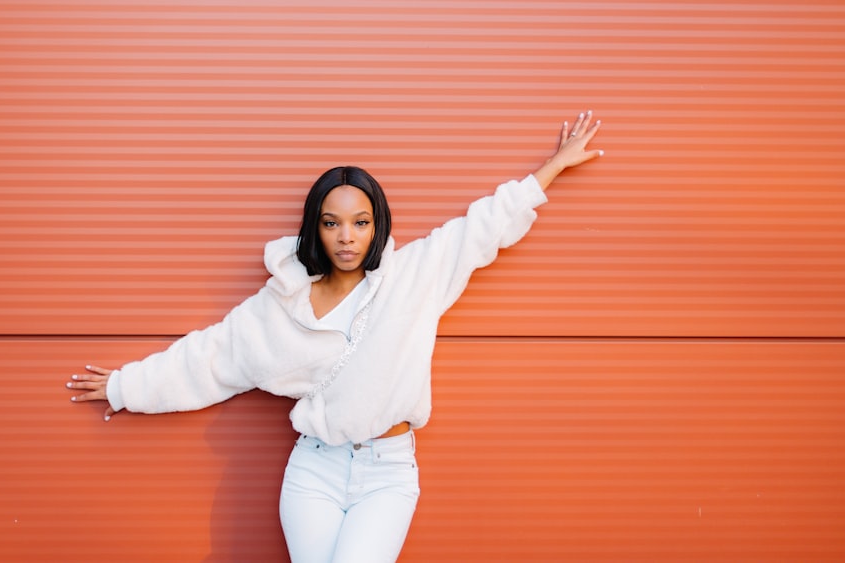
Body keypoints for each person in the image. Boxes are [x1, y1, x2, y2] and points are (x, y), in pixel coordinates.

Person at [66, 111, 603, 562]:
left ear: (378, 226)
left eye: (361, 223)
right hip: (312, 472)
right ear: (314, 229)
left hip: (388, 472)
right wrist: (121, 387)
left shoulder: (413, 277)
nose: (347, 237)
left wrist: (553, 167)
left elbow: (480, 228)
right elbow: (208, 358)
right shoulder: (279, 307)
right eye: (332, 223)